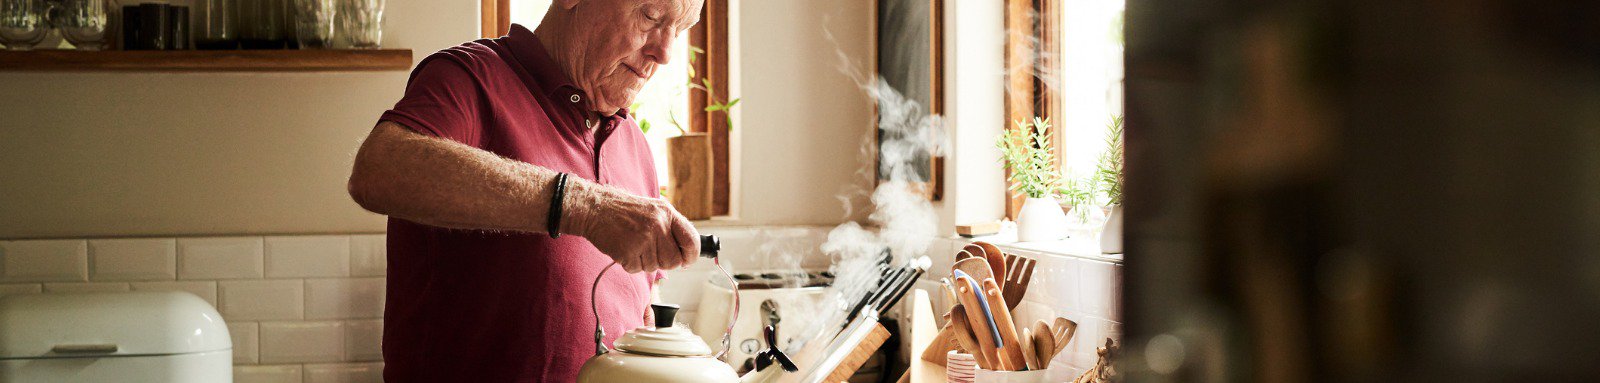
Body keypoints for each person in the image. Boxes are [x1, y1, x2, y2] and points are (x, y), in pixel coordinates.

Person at [346, 0, 706, 381]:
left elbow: (642, 309)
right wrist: (585, 206)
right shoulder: (470, 77)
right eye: (651, 16)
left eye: (680, 30)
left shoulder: (633, 142)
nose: (665, 53)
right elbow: (379, 168)